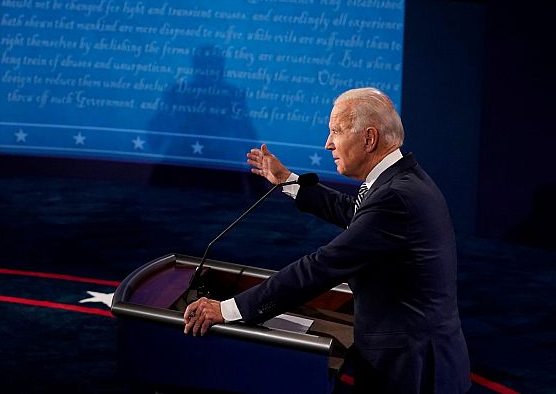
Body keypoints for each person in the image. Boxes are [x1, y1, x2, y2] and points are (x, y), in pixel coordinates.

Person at [183, 88, 471, 393]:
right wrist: (287, 180)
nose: (328, 143)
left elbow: (321, 266)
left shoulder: (395, 198)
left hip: (411, 372)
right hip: (411, 359)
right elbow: (355, 212)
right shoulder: (401, 181)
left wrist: (229, 310)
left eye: (336, 131)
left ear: (369, 138)